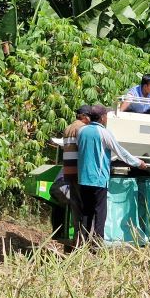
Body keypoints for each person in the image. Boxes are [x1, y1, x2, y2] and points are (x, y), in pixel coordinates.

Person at [76, 105, 148, 245]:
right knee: (100, 213)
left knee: (86, 212)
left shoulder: (82, 131)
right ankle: (96, 244)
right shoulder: (104, 132)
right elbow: (120, 151)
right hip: (98, 179)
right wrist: (138, 162)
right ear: (103, 117)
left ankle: (82, 243)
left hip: (83, 178)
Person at [60, 105, 91, 246]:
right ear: (84, 116)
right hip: (79, 172)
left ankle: (77, 238)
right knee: (85, 206)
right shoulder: (82, 129)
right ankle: (83, 240)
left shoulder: (68, 128)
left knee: (75, 206)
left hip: (69, 171)